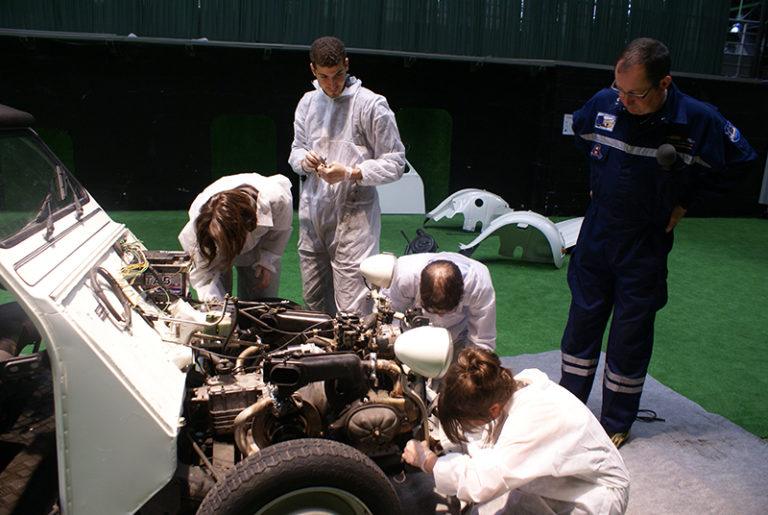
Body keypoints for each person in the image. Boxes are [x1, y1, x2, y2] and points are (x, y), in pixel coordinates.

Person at [560, 37, 757, 448]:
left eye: (636, 94)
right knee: (581, 325)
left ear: (664, 82)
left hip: (645, 242)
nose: (625, 101)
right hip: (597, 234)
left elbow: (741, 163)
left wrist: (686, 202)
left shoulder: (697, 119)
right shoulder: (605, 103)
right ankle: (566, 411)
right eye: (620, 89)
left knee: (630, 334)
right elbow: (582, 134)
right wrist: (598, 182)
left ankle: (616, 421)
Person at [402, 348, 630, 514]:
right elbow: (485, 436)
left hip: (594, 495)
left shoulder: (533, 418)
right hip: (559, 480)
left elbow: (481, 483)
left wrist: (428, 462)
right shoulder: (508, 388)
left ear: (492, 410)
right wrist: (440, 442)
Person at [288, 36, 406, 315]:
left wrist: (352, 172)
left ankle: (353, 359)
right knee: (314, 305)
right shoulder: (307, 104)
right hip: (313, 217)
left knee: (353, 310)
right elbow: (295, 152)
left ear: (347, 65)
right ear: (312, 70)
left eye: (338, 74)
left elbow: (396, 163)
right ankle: (319, 358)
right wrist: (306, 162)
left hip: (354, 221)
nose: (332, 84)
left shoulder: (371, 105)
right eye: (324, 76)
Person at [178, 173, 293, 302]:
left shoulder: (277, 199)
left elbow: (278, 233)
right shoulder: (199, 227)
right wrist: (216, 306)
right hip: (214, 249)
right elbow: (205, 274)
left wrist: (267, 262)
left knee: (261, 304)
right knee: (216, 304)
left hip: (258, 245)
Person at [383, 252, 496, 353]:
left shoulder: (479, 286)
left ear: (463, 288)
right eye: (432, 310)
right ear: (420, 283)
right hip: (410, 333)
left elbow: (482, 340)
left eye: (449, 310)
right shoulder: (404, 276)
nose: (440, 316)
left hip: (457, 336)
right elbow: (390, 318)